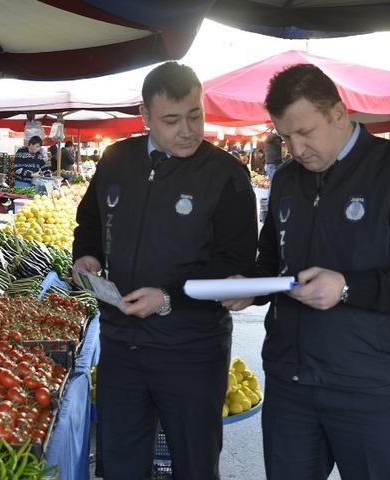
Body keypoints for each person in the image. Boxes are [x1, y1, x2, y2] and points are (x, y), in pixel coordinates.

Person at [223, 64, 390, 480]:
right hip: (291, 383)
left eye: (305, 132)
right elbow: (272, 262)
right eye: (285, 137)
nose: (296, 148)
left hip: (371, 389)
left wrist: (347, 287)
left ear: (338, 114)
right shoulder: (287, 181)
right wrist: (252, 287)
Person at [73, 61, 258, 480]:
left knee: (195, 463)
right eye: (171, 120)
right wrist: (87, 257)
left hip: (192, 350)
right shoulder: (116, 160)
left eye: (196, 115)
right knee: (121, 462)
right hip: (121, 344)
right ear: (145, 116)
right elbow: (90, 222)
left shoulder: (226, 175)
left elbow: (236, 262)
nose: (188, 130)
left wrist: (169, 296)